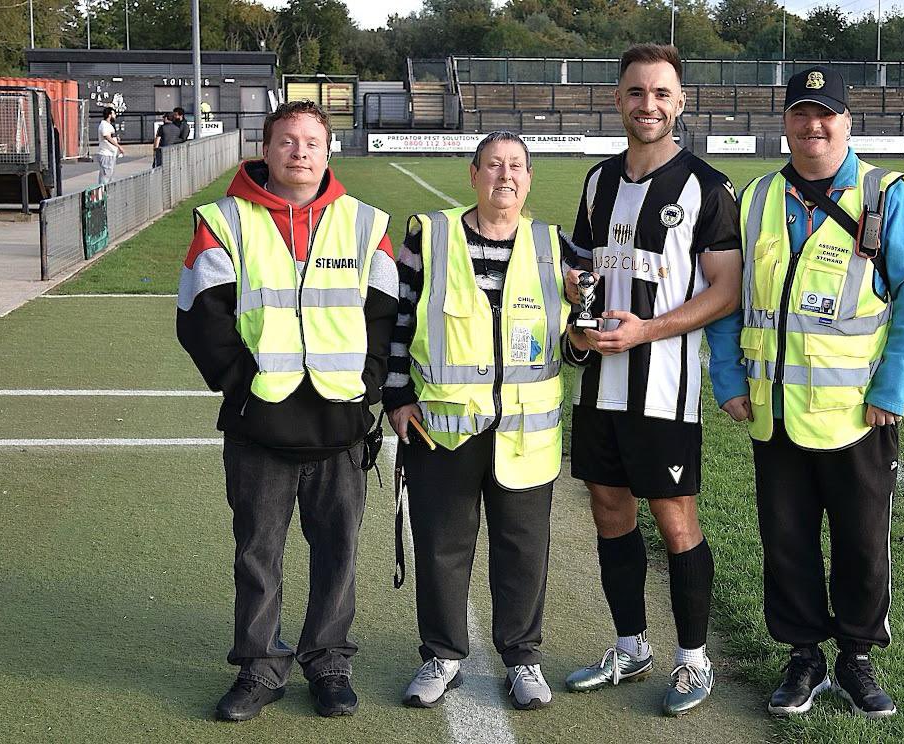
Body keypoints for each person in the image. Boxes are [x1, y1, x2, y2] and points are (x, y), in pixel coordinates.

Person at [709, 67, 904, 719]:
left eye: (826, 113)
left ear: (846, 122)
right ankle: (803, 656)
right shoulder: (756, 198)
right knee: (787, 542)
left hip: (859, 413)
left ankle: (856, 658)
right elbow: (728, 297)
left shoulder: (884, 194)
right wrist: (728, 378)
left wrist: (892, 386)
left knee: (862, 543)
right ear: (785, 122)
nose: (814, 125)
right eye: (802, 113)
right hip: (774, 410)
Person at [176, 100, 398, 721]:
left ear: (328, 153)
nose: (300, 152)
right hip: (260, 425)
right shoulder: (224, 221)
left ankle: (328, 662)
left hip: (340, 424)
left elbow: (385, 316)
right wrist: (243, 388)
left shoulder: (365, 223)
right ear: (266, 149)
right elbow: (199, 317)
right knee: (257, 554)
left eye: (312, 142)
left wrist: (366, 385)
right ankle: (260, 667)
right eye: (287, 141)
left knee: (338, 552)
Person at [561, 43, 742, 717]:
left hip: (665, 385)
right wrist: (578, 306)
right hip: (600, 386)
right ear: (618, 100)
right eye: (637, 92)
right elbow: (585, 268)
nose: (649, 105)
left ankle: (694, 661)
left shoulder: (707, 187)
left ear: (680, 102)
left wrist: (646, 331)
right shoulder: (597, 182)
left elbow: (725, 290)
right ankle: (630, 645)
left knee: (674, 517)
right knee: (610, 510)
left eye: (662, 93)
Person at [383, 131, 575, 712]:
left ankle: (522, 658)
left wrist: (584, 341)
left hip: (525, 433)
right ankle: (442, 655)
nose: (505, 175)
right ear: (473, 174)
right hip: (443, 428)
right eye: (493, 165)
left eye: (516, 165)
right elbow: (398, 319)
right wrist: (397, 396)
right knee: (441, 545)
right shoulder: (429, 237)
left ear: (529, 179)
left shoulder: (555, 246)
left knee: (523, 551)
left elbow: (575, 336)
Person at [96, 107, 124, 184]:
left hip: (111, 154)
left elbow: (111, 136)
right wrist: (118, 146)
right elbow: (107, 136)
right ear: (109, 115)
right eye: (114, 114)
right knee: (105, 177)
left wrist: (116, 139)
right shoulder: (104, 125)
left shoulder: (109, 125)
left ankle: (105, 190)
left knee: (110, 177)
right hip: (106, 154)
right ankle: (102, 190)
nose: (115, 116)